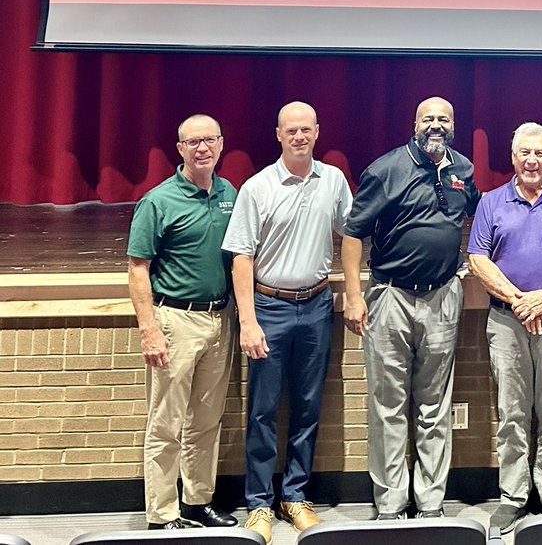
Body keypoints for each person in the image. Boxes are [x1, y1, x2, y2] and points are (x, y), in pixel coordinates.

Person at [341, 96, 482, 520]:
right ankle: (389, 504)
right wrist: (352, 295)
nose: (436, 125)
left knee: (435, 407)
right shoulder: (385, 170)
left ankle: (431, 504)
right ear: (414, 124)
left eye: (444, 118)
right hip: (390, 297)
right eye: (428, 119)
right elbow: (353, 235)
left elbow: (483, 214)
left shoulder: (462, 169)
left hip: (442, 296)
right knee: (387, 405)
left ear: (454, 125)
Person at [221, 102, 352, 542]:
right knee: (262, 411)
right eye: (291, 130)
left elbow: (350, 233)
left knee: (308, 407)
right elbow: (242, 256)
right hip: (270, 307)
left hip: (316, 306)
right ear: (278, 135)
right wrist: (248, 320)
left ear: (318, 132)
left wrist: (353, 291)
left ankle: (295, 496)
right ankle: (259, 504)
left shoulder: (333, 180)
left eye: (306, 130)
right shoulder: (257, 187)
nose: (299, 137)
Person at [467, 122, 542, 534]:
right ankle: (513, 496)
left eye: (540, 154)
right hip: (506, 320)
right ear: (513, 156)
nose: (532, 160)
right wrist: (522, 300)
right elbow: (478, 260)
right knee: (512, 412)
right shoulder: (491, 202)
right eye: (525, 153)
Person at [126, 114, 238, 531]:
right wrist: (149, 329)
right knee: (166, 423)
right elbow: (138, 270)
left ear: (221, 144)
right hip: (175, 320)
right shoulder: (158, 201)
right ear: (181, 150)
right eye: (193, 142)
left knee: (206, 421)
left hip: (219, 319)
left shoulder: (229, 193)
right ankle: (162, 514)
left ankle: (196, 502)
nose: (202, 148)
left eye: (209, 140)